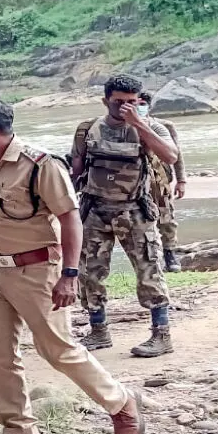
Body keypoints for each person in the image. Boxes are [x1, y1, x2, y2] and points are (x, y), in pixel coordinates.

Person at [0, 98, 145, 434]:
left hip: (37, 270)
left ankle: (120, 402)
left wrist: (69, 275)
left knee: (57, 348)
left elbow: (70, 219)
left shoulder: (40, 164)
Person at [70, 75, 178, 358]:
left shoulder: (151, 127)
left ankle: (161, 335)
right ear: (106, 100)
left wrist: (139, 124)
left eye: (132, 102)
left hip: (135, 210)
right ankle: (98, 331)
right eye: (119, 102)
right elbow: (76, 170)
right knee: (90, 273)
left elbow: (170, 156)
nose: (125, 107)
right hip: (95, 209)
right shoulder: (87, 129)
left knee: (149, 270)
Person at [138, 91, 186, 273]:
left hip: (160, 178)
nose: (139, 107)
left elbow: (177, 154)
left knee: (167, 219)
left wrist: (181, 180)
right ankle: (150, 258)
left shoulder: (164, 126)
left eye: (142, 104)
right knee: (141, 221)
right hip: (134, 181)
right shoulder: (125, 127)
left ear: (149, 106)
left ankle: (170, 254)